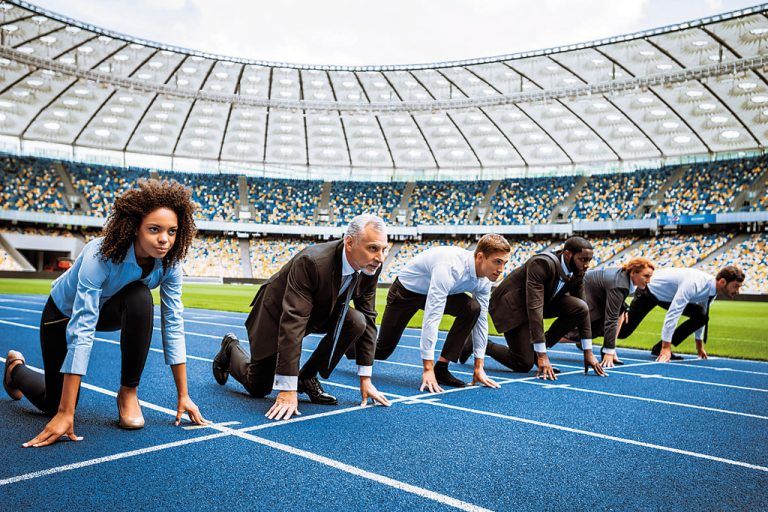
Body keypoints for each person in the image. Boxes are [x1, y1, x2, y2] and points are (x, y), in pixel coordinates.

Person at [3, 179, 208, 448]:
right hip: (62, 314)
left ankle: (128, 392)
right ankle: (15, 370)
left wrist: (183, 395)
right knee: (55, 404)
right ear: (135, 227)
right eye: (154, 230)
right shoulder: (101, 255)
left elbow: (173, 323)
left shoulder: (170, 263)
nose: (164, 240)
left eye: (172, 231)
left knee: (140, 297)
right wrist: (66, 412)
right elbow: (82, 327)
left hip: (109, 310)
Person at [212, 214, 391, 421]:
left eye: (384, 249)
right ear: (349, 243)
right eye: (373, 248)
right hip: (277, 313)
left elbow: (368, 318)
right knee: (258, 387)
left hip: (321, 310)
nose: (381, 257)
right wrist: (287, 389)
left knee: (356, 321)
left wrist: (366, 379)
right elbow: (293, 321)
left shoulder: (370, 267)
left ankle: (306, 378)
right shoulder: (312, 262)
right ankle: (230, 347)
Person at [373, 234, 511, 392]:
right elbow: (432, 317)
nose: (501, 270)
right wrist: (427, 368)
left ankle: (442, 368)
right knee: (382, 351)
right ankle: (348, 343)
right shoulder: (450, 266)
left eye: (504, 263)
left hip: (433, 291)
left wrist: (479, 366)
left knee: (473, 308)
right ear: (480, 257)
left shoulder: (485, 280)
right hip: (406, 293)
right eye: (497, 262)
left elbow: (481, 321)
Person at [486, 236, 606, 379]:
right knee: (523, 363)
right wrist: (542, 355)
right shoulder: (542, 263)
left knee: (580, 308)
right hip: (511, 306)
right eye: (583, 259)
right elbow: (534, 308)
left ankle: (536, 351)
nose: (587, 265)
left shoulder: (578, 271)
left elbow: (584, 310)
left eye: (589, 260)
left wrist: (588, 351)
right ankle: (479, 343)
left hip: (540, 302)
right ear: (567, 255)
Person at [618, 265, 744, 362]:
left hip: (667, 296)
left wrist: (699, 346)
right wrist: (666, 348)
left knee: (701, 315)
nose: (738, 291)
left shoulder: (712, 291)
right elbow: (674, 313)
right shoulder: (695, 283)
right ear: (722, 282)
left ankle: (657, 348)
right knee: (624, 332)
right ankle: (600, 326)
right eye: (736, 286)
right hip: (649, 291)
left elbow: (702, 316)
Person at [564, 258, 655, 368]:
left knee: (619, 313)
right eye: (646, 276)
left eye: (650, 277)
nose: (649, 281)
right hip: (581, 295)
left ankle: (610, 348)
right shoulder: (620, 284)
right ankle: (542, 341)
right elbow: (611, 319)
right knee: (584, 332)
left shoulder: (624, 277)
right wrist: (608, 352)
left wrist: (624, 307)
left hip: (593, 295)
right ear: (633, 272)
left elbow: (613, 299)